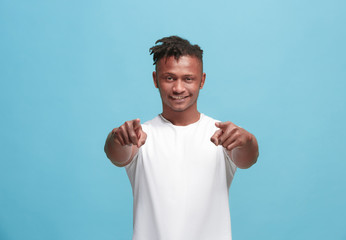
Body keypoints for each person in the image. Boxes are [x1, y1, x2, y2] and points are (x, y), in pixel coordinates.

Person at [104, 36, 259, 240]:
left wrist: (247, 141)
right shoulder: (140, 136)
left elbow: (249, 158)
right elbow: (115, 153)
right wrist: (117, 137)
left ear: (202, 80)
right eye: (169, 78)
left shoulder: (222, 135)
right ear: (155, 79)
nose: (178, 88)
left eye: (188, 78)